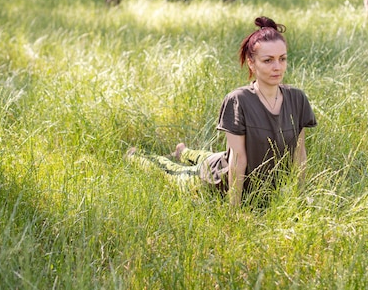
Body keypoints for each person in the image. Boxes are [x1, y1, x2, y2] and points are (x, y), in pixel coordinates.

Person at [126, 16, 317, 207]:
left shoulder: (297, 99)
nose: (277, 67)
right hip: (216, 179)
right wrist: (234, 210)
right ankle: (137, 156)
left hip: (230, 164)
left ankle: (182, 151)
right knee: (171, 171)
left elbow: (299, 153)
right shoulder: (238, 100)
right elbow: (237, 160)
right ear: (251, 63)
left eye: (282, 59)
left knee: (215, 156)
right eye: (268, 60)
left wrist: (299, 198)